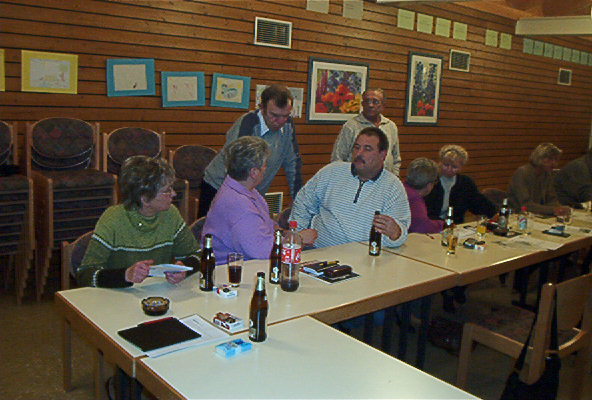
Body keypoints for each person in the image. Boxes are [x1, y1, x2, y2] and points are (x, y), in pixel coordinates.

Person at [77, 156, 199, 288]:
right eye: (167, 190)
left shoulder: (170, 214)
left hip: (158, 292)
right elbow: (85, 275)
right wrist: (125, 275)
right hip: (119, 295)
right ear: (145, 199)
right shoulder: (113, 219)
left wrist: (184, 268)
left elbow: (198, 255)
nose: (174, 194)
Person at [201, 136, 316, 264]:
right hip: (233, 269)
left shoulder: (242, 189)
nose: (266, 169)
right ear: (254, 172)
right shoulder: (240, 206)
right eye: (265, 165)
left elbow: (265, 225)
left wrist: (284, 233)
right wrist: (299, 239)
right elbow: (264, 251)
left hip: (247, 262)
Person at [291, 126, 410, 248]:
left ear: (383, 155)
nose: (359, 153)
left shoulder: (393, 187)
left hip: (364, 255)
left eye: (367, 149)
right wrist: (298, 237)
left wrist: (396, 233)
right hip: (319, 251)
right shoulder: (332, 172)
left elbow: (401, 234)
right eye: (357, 147)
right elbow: (303, 203)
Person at [198, 84, 302, 217]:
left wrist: (298, 200)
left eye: (285, 115)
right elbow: (236, 166)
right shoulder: (248, 123)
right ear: (262, 108)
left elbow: (293, 163)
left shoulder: (288, 125)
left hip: (253, 192)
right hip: (219, 186)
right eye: (274, 115)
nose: (280, 121)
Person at [331, 88, 401, 175]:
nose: (370, 105)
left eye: (375, 102)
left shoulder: (391, 126)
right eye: (367, 101)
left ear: (383, 105)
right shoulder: (351, 126)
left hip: (386, 180)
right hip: (356, 179)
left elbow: (396, 158)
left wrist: (394, 177)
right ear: (362, 104)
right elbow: (337, 158)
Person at [425, 144, 496, 224]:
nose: (449, 169)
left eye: (454, 167)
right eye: (446, 165)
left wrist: (496, 214)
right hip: (431, 225)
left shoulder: (465, 183)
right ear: (440, 163)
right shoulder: (430, 181)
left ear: (461, 167)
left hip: (455, 226)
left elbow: (478, 203)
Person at [508, 143, 570, 216]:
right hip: (517, 216)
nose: (554, 163)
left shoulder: (547, 174)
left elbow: (551, 199)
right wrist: (553, 210)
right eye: (550, 159)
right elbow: (526, 205)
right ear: (539, 158)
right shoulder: (522, 173)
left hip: (537, 216)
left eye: (556, 159)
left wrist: (559, 208)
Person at [404, 157, 443, 234]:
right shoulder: (414, 198)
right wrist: (442, 225)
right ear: (429, 185)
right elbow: (422, 227)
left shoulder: (402, 187)